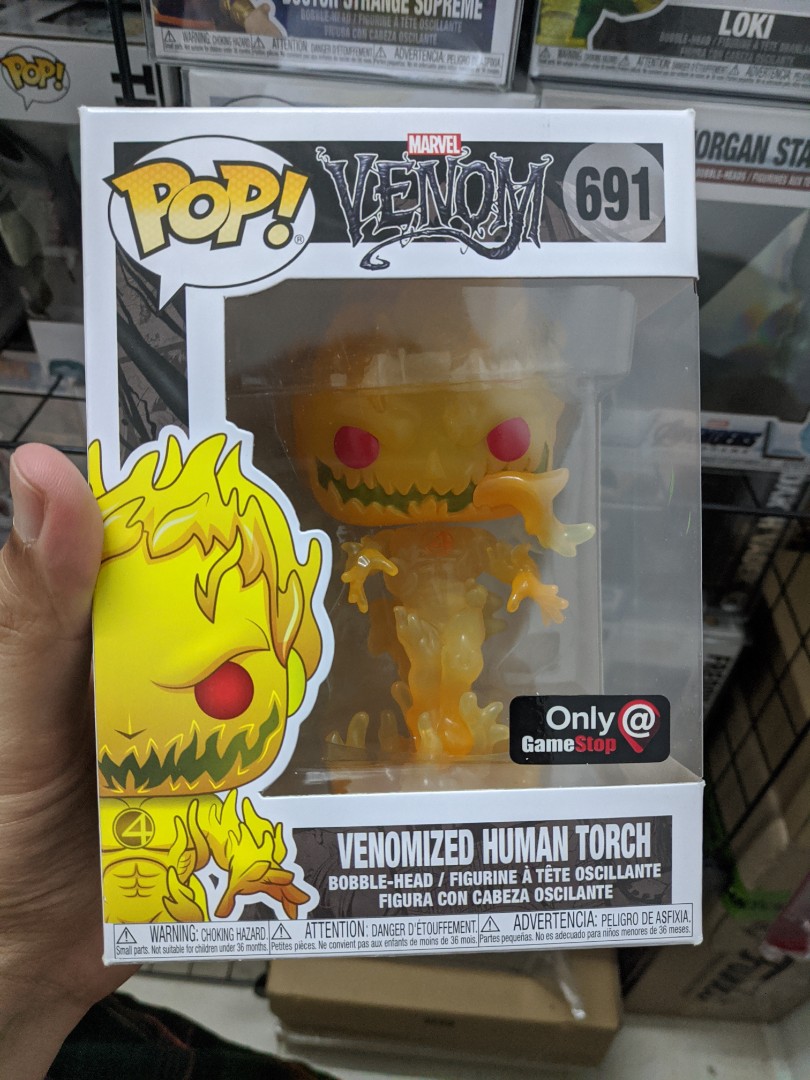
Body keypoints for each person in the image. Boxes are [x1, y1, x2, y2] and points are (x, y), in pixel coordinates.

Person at [0, 445, 333, 1080]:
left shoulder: (214, 796)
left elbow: (231, 830)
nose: (134, 728)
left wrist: (256, 866)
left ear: (292, 674)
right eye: (120, 680)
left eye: (220, 686)